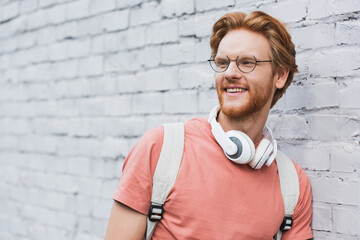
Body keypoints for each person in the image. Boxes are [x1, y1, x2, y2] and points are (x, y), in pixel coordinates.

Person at [104, 11, 313, 240]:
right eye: (223, 63)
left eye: (247, 63)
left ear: (280, 76)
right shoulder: (160, 149)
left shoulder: (292, 184)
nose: (230, 73)